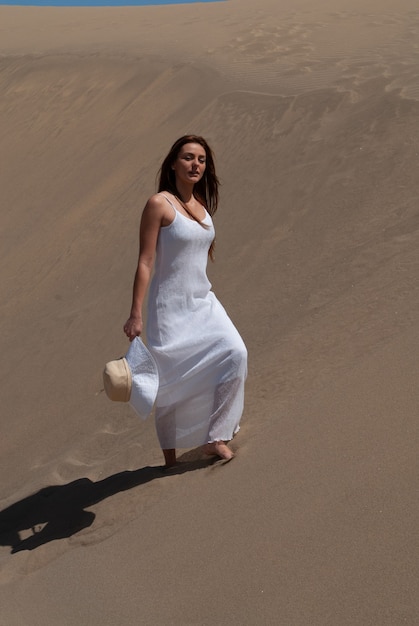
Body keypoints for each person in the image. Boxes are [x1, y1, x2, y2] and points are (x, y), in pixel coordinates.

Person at [123, 135, 247, 468]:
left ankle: (214, 437)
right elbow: (145, 261)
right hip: (169, 309)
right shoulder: (159, 204)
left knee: (235, 352)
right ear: (174, 163)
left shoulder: (202, 206)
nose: (196, 165)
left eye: (202, 160)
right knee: (171, 382)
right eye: (189, 158)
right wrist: (136, 313)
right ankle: (169, 461)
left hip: (204, 302)